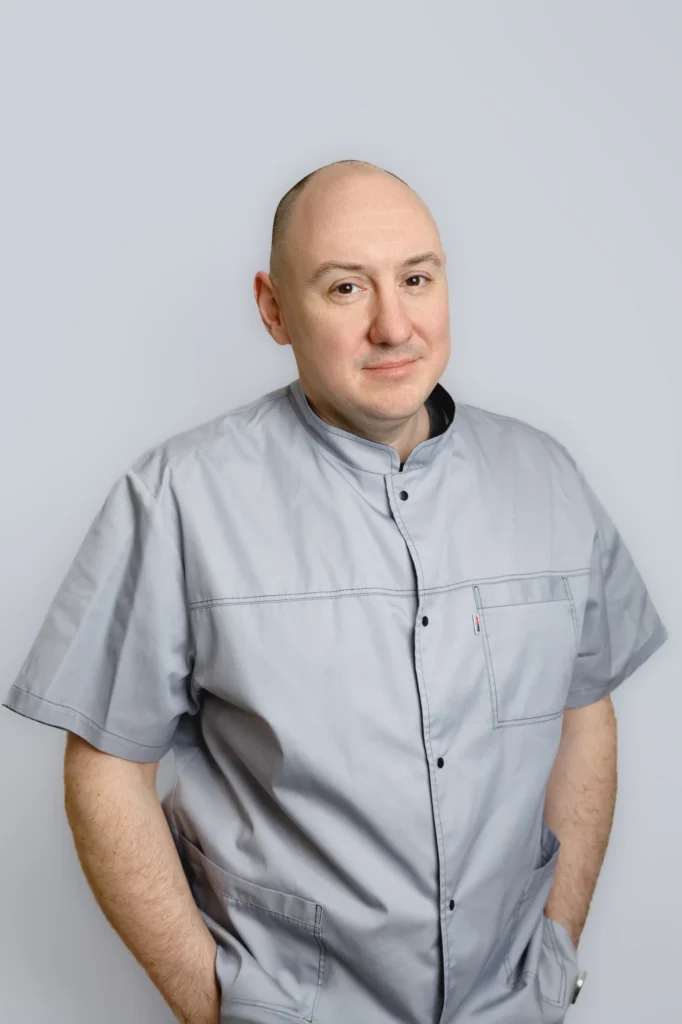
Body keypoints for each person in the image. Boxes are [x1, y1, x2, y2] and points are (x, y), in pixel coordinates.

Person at [2, 159, 668, 1024]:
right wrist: (213, 1006)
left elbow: (586, 715)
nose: (393, 325)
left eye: (417, 279)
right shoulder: (178, 498)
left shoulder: (547, 479)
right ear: (274, 309)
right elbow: (105, 769)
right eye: (346, 287)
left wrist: (557, 953)